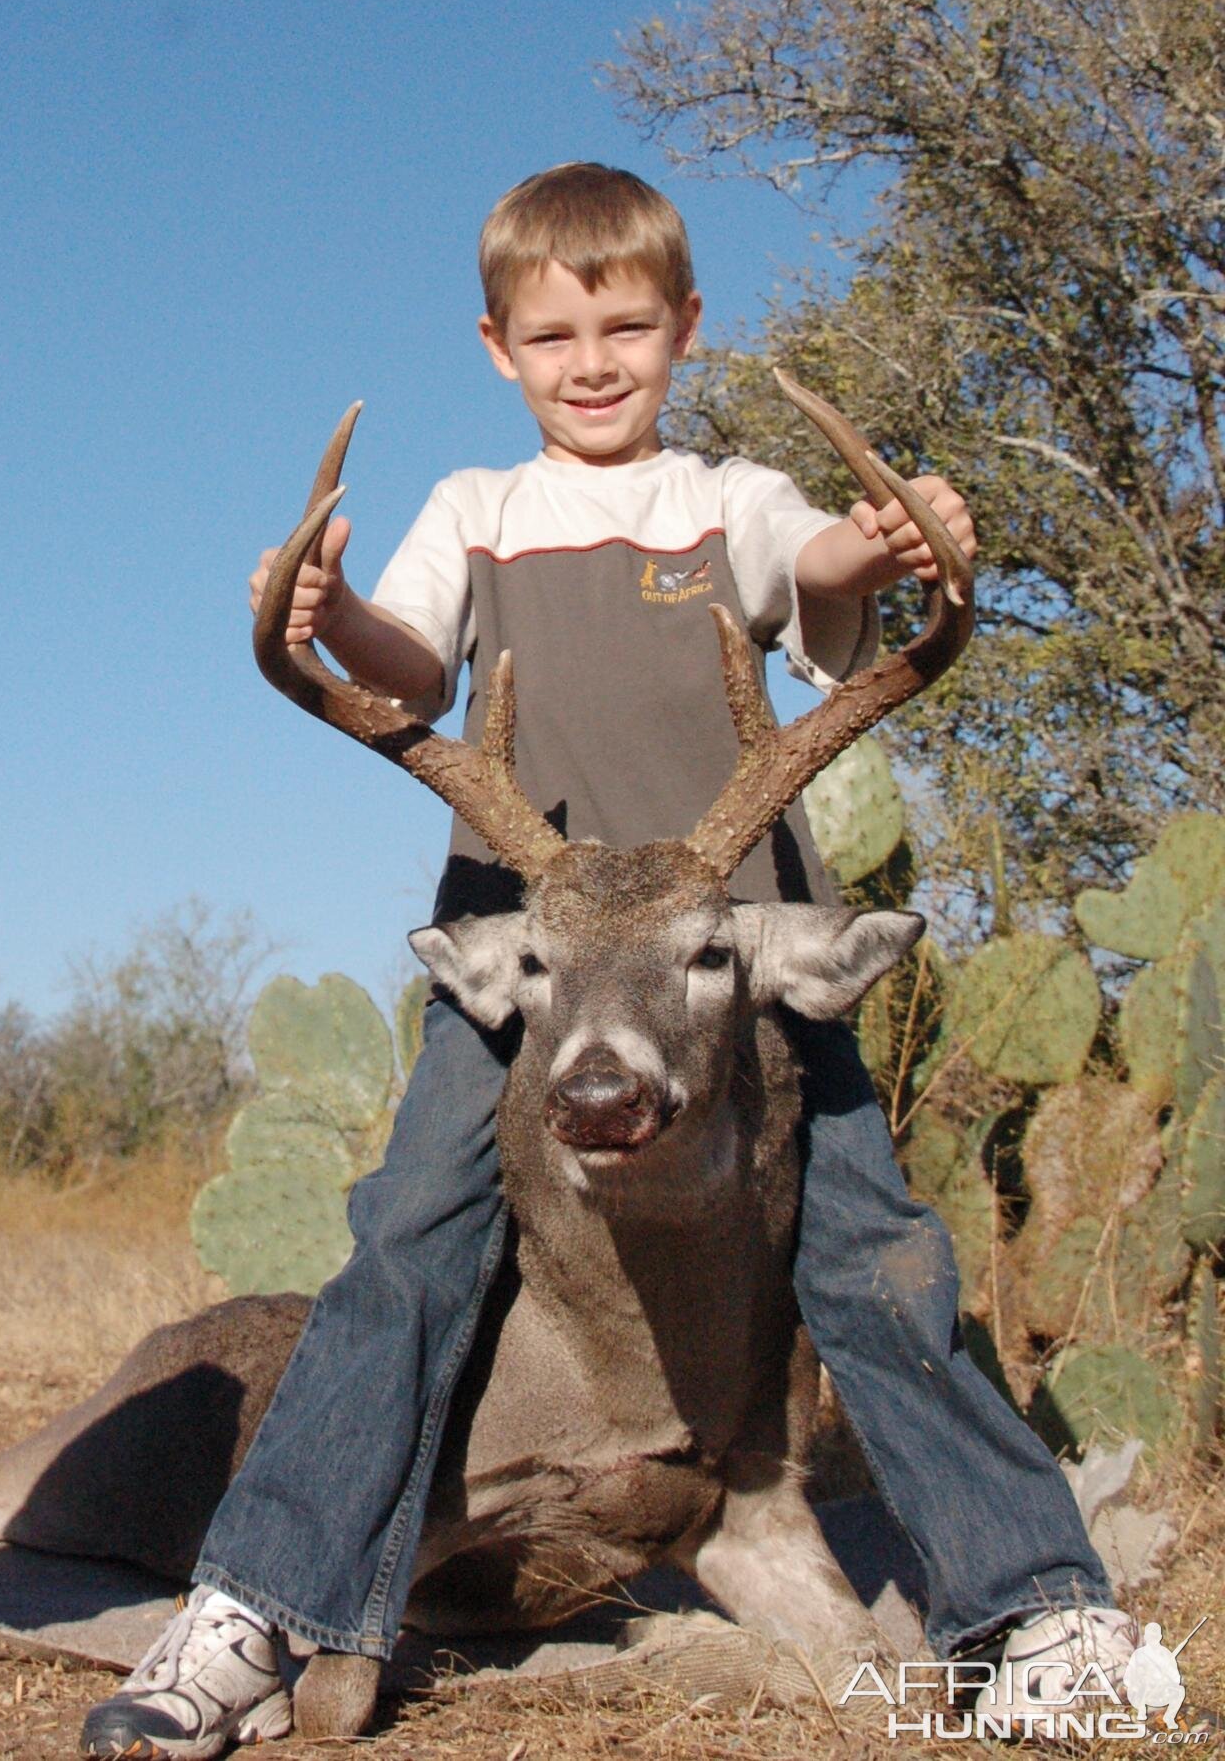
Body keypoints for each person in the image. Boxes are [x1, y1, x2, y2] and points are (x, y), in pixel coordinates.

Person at [81, 163, 1132, 1760]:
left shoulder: (732, 495)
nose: (593, 359)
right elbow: (410, 659)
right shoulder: (479, 512)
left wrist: (879, 543)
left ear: (685, 330)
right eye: (554, 331)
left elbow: (823, 581)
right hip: (535, 967)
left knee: (877, 1254)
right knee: (405, 1254)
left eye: (628, 325)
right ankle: (258, 1608)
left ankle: (1038, 1605)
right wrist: (332, 607)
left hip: (739, 966)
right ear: (498, 346)